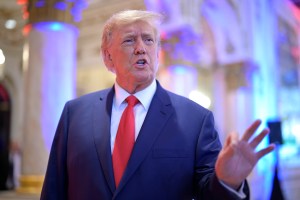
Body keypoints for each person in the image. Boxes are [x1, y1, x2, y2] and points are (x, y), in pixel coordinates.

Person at [40, 10, 275, 200]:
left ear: (158, 52)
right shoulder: (75, 113)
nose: (141, 47)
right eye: (130, 40)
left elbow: (207, 193)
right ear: (108, 57)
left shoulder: (195, 119)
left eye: (149, 40)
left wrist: (226, 181)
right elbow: (54, 190)